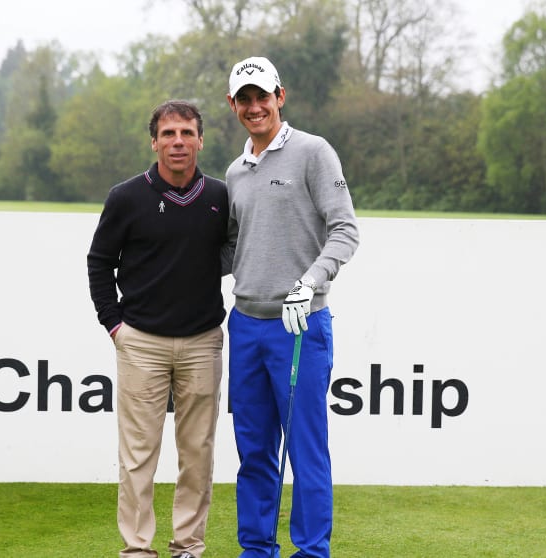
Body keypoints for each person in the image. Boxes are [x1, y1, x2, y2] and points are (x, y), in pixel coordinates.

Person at [223, 56, 360, 557]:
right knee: (254, 450)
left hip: (299, 326)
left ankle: (310, 551)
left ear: (281, 96)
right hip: (245, 326)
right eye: (245, 99)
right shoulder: (236, 170)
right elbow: (231, 248)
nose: (255, 106)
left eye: (263, 96)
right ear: (233, 106)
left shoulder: (312, 152)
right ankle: (257, 549)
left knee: (305, 449)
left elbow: (345, 230)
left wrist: (312, 281)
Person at [87, 100, 229, 558]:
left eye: (187, 133)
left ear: (200, 140)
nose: (178, 142)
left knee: (197, 454)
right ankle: (137, 549)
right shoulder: (126, 197)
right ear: (154, 142)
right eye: (168, 134)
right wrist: (114, 324)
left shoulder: (219, 197)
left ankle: (187, 545)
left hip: (203, 340)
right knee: (137, 456)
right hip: (141, 342)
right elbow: (99, 263)